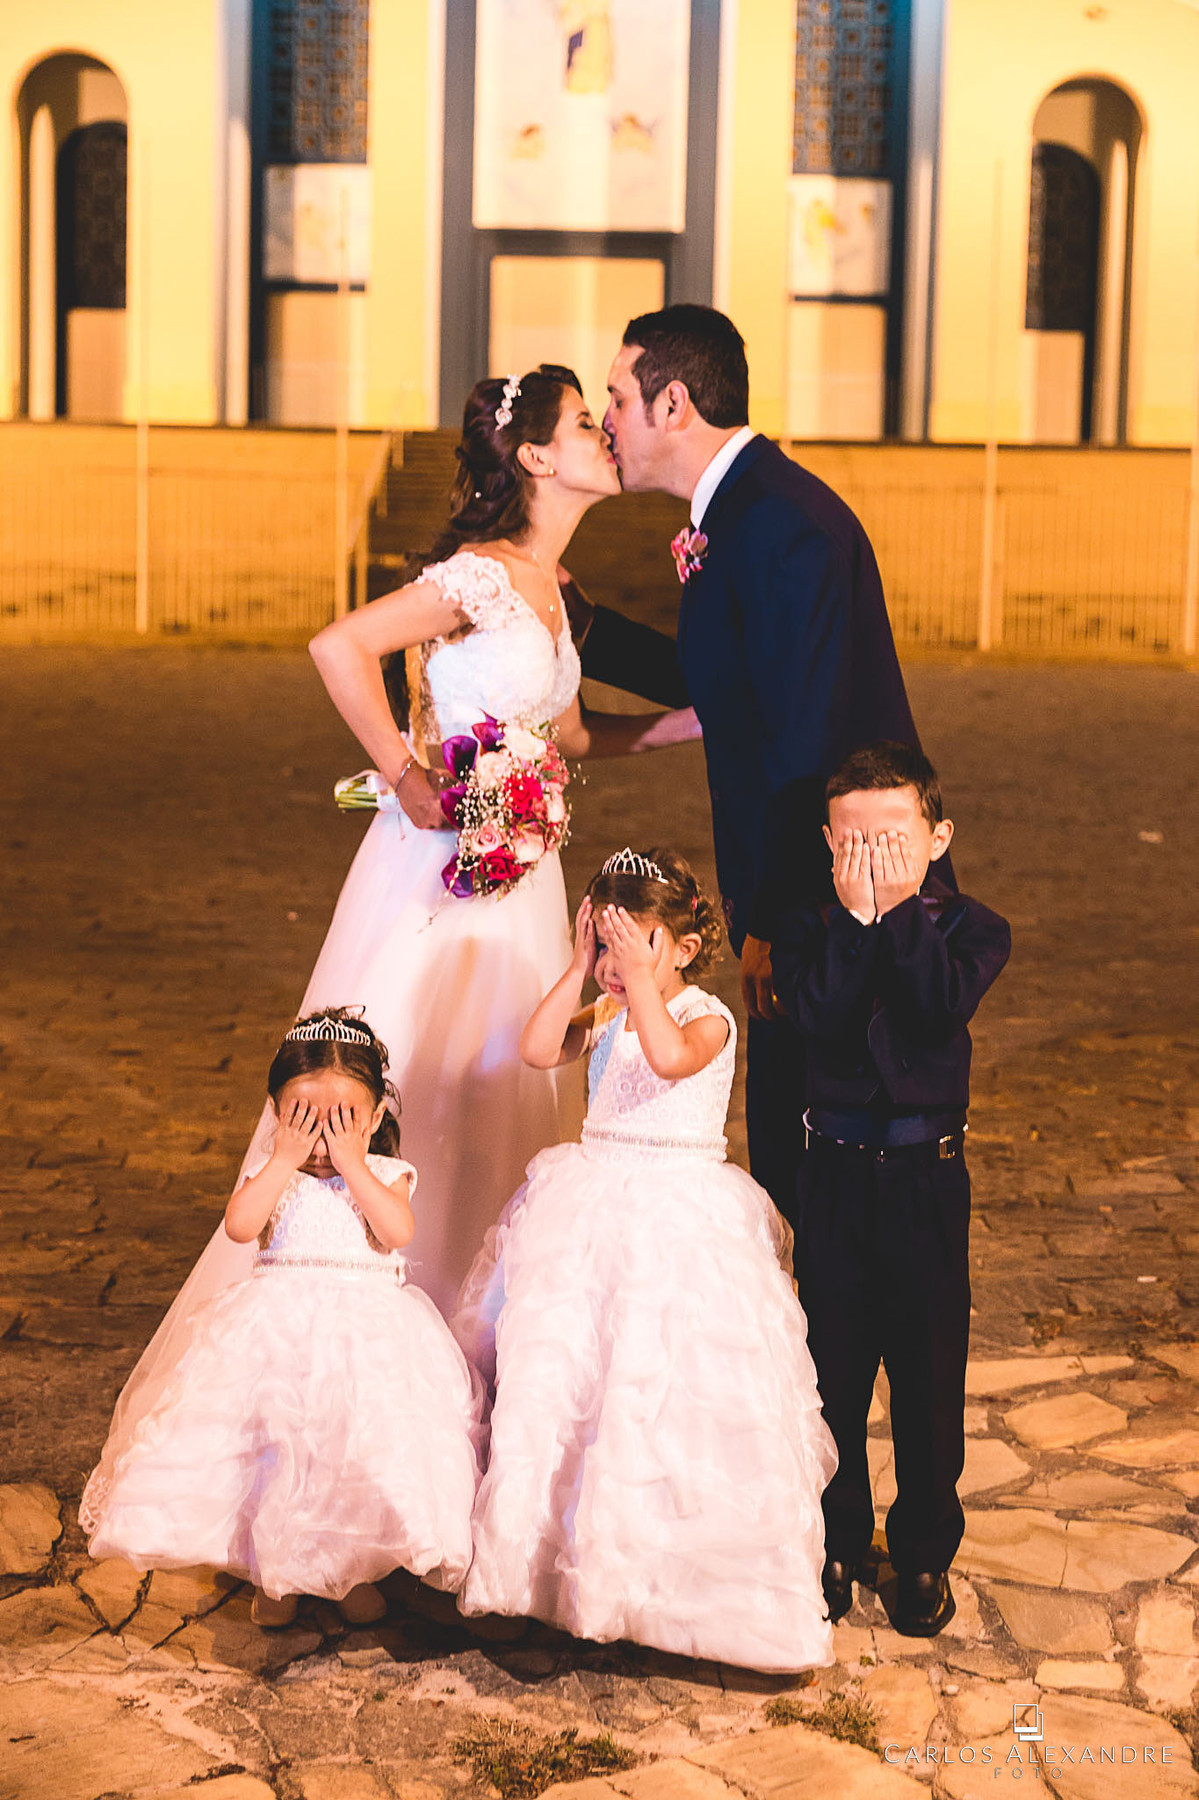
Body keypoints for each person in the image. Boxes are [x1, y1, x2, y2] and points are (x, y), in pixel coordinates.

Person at [272, 364, 700, 1316]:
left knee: (510, 1072)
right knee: (427, 1057)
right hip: (439, 869)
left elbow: (574, 736)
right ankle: (385, 1295)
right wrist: (405, 772)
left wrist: (695, 722)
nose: (605, 435)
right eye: (588, 423)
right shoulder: (479, 575)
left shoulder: (555, 586)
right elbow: (338, 647)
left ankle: (487, 1303)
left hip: (528, 879)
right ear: (539, 456)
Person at [454, 848, 836, 1673]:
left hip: (679, 1220)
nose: (619, 964)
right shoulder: (604, 1012)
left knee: (665, 1396)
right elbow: (534, 1046)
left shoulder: (707, 1018)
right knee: (575, 1391)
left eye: (640, 944)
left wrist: (636, 982)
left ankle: (686, 1595)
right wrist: (578, 967)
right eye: (607, 943)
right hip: (591, 1211)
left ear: (686, 948)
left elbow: (666, 1059)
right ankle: (552, 1579)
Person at [602, 304, 939, 1217]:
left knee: (819, 1155)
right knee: (790, 1150)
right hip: (796, 895)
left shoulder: (782, 525)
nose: (606, 423)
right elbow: (712, 676)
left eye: (617, 398)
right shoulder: (744, 511)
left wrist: (771, 921)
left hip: (837, 906)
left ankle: (828, 1344)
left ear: (673, 405)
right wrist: (582, 628)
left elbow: (805, 742)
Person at [80, 1009, 482, 1628]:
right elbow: (240, 1226)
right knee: (278, 1456)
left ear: (374, 1119)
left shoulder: (383, 1173)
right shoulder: (275, 1176)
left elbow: (397, 1230)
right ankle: (277, 1576)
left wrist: (354, 1162)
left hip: (363, 1348)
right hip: (276, 1344)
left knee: (352, 1456)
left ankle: (351, 1571)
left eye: (343, 1122)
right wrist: (281, 1159)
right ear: (277, 1113)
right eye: (304, 1121)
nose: (322, 1141)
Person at [770, 744, 1010, 1637]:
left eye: (893, 836)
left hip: (924, 1181)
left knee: (925, 1374)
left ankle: (919, 1552)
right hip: (831, 1176)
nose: (871, 856)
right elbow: (821, 1017)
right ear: (825, 843)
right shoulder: (803, 930)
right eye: (851, 839)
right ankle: (834, 1540)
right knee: (830, 1372)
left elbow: (933, 1008)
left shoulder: (973, 929)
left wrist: (898, 916)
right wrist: (853, 922)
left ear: (937, 836)